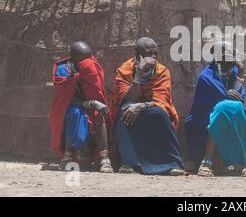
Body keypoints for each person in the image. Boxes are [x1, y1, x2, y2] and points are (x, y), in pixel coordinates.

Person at [184, 41, 246, 177]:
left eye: (233, 53)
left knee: (235, 107)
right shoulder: (206, 76)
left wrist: (241, 71)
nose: (232, 57)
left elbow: (238, 97)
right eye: (228, 54)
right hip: (205, 117)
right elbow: (207, 103)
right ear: (218, 56)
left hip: (230, 113)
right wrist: (224, 95)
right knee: (223, 109)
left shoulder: (233, 72)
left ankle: (237, 164)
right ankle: (207, 162)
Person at [110, 37, 184, 175]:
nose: (153, 57)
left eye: (155, 53)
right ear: (137, 53)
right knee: (125, 109)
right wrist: (138, 74)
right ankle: (129, 163)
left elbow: (162, 99)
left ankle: (173, 164)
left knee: (160, 113)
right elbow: (126, 97)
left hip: (152, 107)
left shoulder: (162, 71)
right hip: (131, 107)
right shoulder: (125, 70)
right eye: (149, 53)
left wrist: (143, 106)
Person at [49, 41, 113, 173]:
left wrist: (95, 104)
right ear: (73, 59)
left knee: (99, 114)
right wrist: (90, 103)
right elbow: (67, 101)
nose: (88, 62)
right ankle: (67, 157)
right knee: (75, 113)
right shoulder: (63, 70)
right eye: (84, 60)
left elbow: (97, 93)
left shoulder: (92, 66)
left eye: (90, 58)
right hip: (69, 108)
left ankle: (104, 159)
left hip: (92, 106)